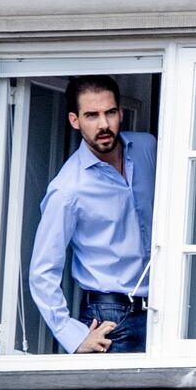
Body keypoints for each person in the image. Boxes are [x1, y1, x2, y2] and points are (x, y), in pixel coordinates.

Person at [28, 75, 156, 354]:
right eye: (92, 115)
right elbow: (42, 272)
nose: (104, 125)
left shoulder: (147, 148)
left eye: (110, 112)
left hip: (165, 309)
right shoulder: (67, 190)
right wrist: (72, 336)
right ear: (75, 120)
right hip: (112, 319)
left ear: (120, 112)